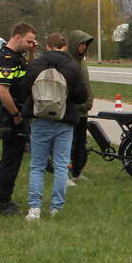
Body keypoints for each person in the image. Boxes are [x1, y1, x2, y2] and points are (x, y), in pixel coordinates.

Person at [20, 33, 89, 220]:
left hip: (40, 120)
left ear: (48, 47)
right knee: (61, 166)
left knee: (37, 166)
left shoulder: (35, 65)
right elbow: (82, 96)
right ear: (65, 46)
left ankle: (34, 209)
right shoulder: (73, 67)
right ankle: (56, 208)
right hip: (64, 121)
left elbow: (23, 90)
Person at [0, 22, 38, 215]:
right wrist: (17, 116)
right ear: (17, 37)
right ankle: (2, 203)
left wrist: (31, 52)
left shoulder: (17, 56)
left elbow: (26, 76)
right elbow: (3, 92)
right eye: (29, 41)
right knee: (10, 160)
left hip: (16, 113)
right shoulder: (7, 59)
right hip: (11, 115)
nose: (31, 44)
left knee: (15, 158)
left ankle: (6, 198)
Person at [67, 29, 95, 184]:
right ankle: (66, 173)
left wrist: (89, 100)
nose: (83, 47)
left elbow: (86, 83)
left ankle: (78, 171)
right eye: (81, 44)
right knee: (69, 143)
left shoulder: (82, 61)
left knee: (80, 143)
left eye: (85, 44)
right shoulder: (68, 62)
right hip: (73, 110)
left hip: (84, 111)